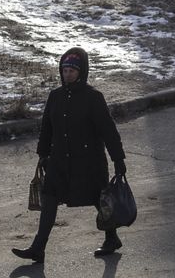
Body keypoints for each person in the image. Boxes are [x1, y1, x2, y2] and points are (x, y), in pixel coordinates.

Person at [12, 47, 127, 263]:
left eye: (72, 71)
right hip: (59, 160)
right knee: (49, 198)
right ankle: (38, 247)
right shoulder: (55, 97)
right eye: (64, 71)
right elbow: (47, 128)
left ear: (81, 72)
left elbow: (108, 131)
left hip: (88, 162)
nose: (67, 75)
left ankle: (111, 238)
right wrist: (43, 154)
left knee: (98, 199)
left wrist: (118, 159)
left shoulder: (93, 98)